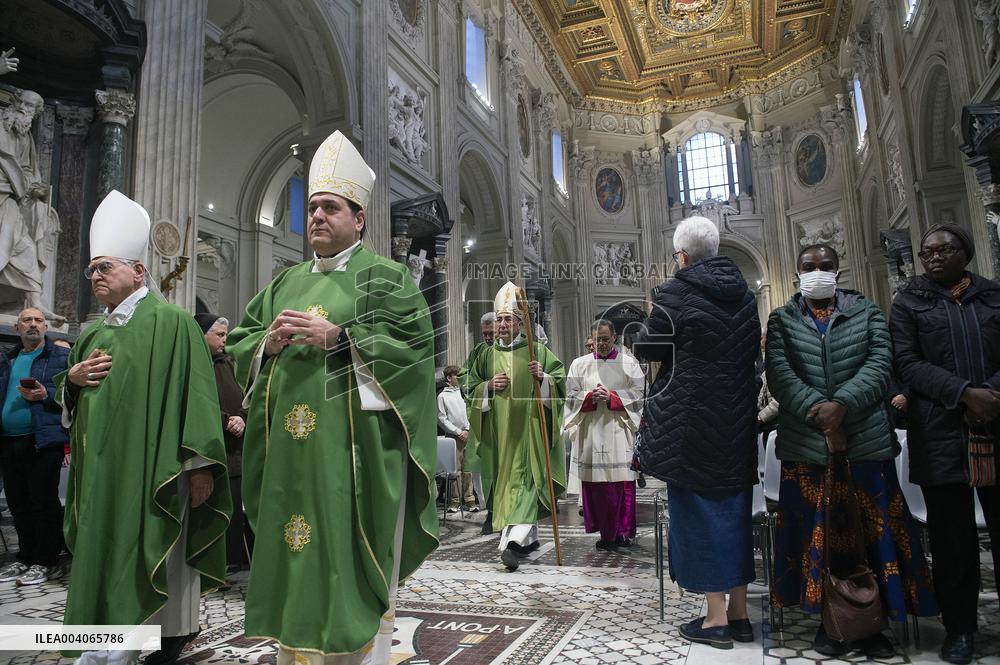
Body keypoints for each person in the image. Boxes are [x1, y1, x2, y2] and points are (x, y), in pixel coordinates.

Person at [227, 130, 438, 665]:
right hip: (289, 460)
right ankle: (296, 650)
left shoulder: (387, 278)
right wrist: (267, 343)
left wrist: (342, 338)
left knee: (344, 553)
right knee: (294, 544)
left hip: (354, 458)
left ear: (359, 218)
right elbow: (241, 341)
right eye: (313, 206)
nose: (317, 216)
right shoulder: (284, 282)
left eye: (330, 207)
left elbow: (415, 353)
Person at [58, 190, 231, 665]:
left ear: (138, 271)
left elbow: (197, 395)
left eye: (104, 267)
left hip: (154, 471)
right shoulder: (91, 335)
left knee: (155, 557)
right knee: (99, 556)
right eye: (91, 269)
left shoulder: (173, 324)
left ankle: (144, 648)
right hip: (99, 476)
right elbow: (70, 400)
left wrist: (200, 468)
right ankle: (94, 648)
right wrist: (70, 383)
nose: (94, 276)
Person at [768, 243, 936, 658]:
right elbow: (780, 373)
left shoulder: (867, 311)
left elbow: (881, 363)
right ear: (797, 273)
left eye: (826, 265)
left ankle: (873, 623)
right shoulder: (781, 319)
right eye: (809, 266)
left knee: (872, 534)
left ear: (838, 272)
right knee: (814, 536)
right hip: (807, 448)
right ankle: (830, 620)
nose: (818, 271)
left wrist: (842, 405)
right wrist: (820, 415)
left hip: (865, 443)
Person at [632, 216, 759, 649]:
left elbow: (647, 348)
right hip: (737, 420)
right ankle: (741, 614)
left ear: (682, 256)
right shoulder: (744, 296)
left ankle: (716, 620)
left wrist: (654, 313)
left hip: (689, 425)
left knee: (699, 515)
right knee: (736, 513)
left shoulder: (677, 292)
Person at [890, 224, 1000, 665]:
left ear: (966, 253)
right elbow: (907, 362)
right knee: (952, 543)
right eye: (927, 252)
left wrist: (990, 394)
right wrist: (963, 394)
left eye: (945, 250)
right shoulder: (908, 302)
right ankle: (960, 630)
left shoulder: (993, 296)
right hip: (940, 433)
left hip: (995, 424)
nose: (934, 257)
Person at [467, 282, 565, 572]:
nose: (501, 325)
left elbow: (560, 383)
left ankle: (512, 542)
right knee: (506, 485)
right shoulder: (484, 355)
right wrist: (487, 387)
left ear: (521, 324)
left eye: (508, 319)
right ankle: (518, 538)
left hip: (530, 433)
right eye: (498, 319)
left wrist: (544, 378)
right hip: (499, 436)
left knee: (526, 484)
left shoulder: (538, 352)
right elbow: (469, 384)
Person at [0, 307, 69, 586]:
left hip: (42, 439)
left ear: (45, 327)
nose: (33, 324)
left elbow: (73, 393)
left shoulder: (60, 356)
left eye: (38, 320)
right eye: (26, 320)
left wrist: (47, 394)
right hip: (8, 440)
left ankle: (47, 560)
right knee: (18, 503)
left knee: (43, 501)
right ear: (17, 328)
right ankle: (25, 557)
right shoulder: (8, 358)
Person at [563, 319, 643, 549]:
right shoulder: (579, 364)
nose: (601, 344)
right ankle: (605, 534)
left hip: (619, 432)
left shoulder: (629, 363)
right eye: (597, 340)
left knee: (621, 484)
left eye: (605, 339)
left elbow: (639, 394)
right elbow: (569, 396)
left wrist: (613, 398)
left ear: (615, 337)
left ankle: (622, 532)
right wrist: (589, 397)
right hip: (592, 433)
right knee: (596, 487)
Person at [195, 312, 252, 571]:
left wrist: (242, 417)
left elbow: (248, 395)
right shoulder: (194, 364)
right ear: (201, 334)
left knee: (233, 510)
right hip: (206, 450)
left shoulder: (230, 363)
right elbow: (195, 401)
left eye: (225, 335)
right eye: (219, 335)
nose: (224, 340)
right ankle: (210, 564)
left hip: (236, 451)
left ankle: (232, 560)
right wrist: (223, 419)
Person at [437, 364, 477, 512]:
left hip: (467, 434)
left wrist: (467, 429)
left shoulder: (463, 392)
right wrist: (457, 431)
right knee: (456, 469)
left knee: (468, 469)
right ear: (449, 378)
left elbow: (469, 410)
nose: (459, 378)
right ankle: (455, 500)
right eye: (456, 376)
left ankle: (469, 499)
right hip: (453, 437)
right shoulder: (442, 396)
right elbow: (441, 418)